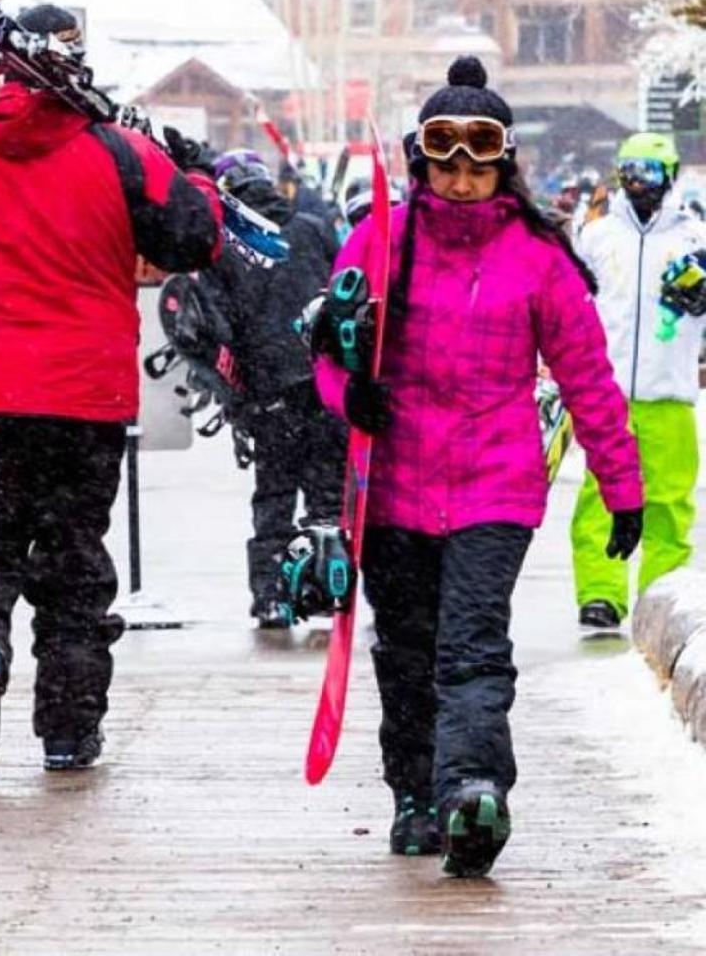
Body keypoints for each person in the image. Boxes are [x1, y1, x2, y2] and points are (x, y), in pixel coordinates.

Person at [0, 3, 222, 779]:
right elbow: (195, 237)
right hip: (85, 402)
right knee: (71, 564)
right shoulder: (120, 154)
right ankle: (67, 729)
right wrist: (189, 172)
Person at [313, 57, 641, 877]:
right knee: (407, 648)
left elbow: (588, 377)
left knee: (472, 646)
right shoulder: (380, 241)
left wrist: (621, 483)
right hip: (392, 491)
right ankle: (414, 793)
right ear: (421, 161)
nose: (461, 180)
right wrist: (348, 394)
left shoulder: (538, 256)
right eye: (446, 162)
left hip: (496, 488)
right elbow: (328, 339)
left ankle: (472, 787)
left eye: (479, 163)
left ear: (504, 165)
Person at [568, 133, 705, 628]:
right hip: (610, 391)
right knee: (601, 493)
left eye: (648, 173)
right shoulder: (597, 237)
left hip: (669, 390)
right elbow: (571, 305)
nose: (637, 184)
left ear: (668, 176)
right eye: (628, 173)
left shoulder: (694, 239)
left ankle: (659, 599)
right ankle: (601, 591)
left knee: (669, 502)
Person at [204, 150, 344, 627]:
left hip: (269, 394)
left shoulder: (225, 245)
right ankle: (329, 586)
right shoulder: (312, 226)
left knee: (274, 497)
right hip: (325, 384)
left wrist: (237, 398)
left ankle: (271, 596)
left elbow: (217, 326)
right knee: (328, 496)